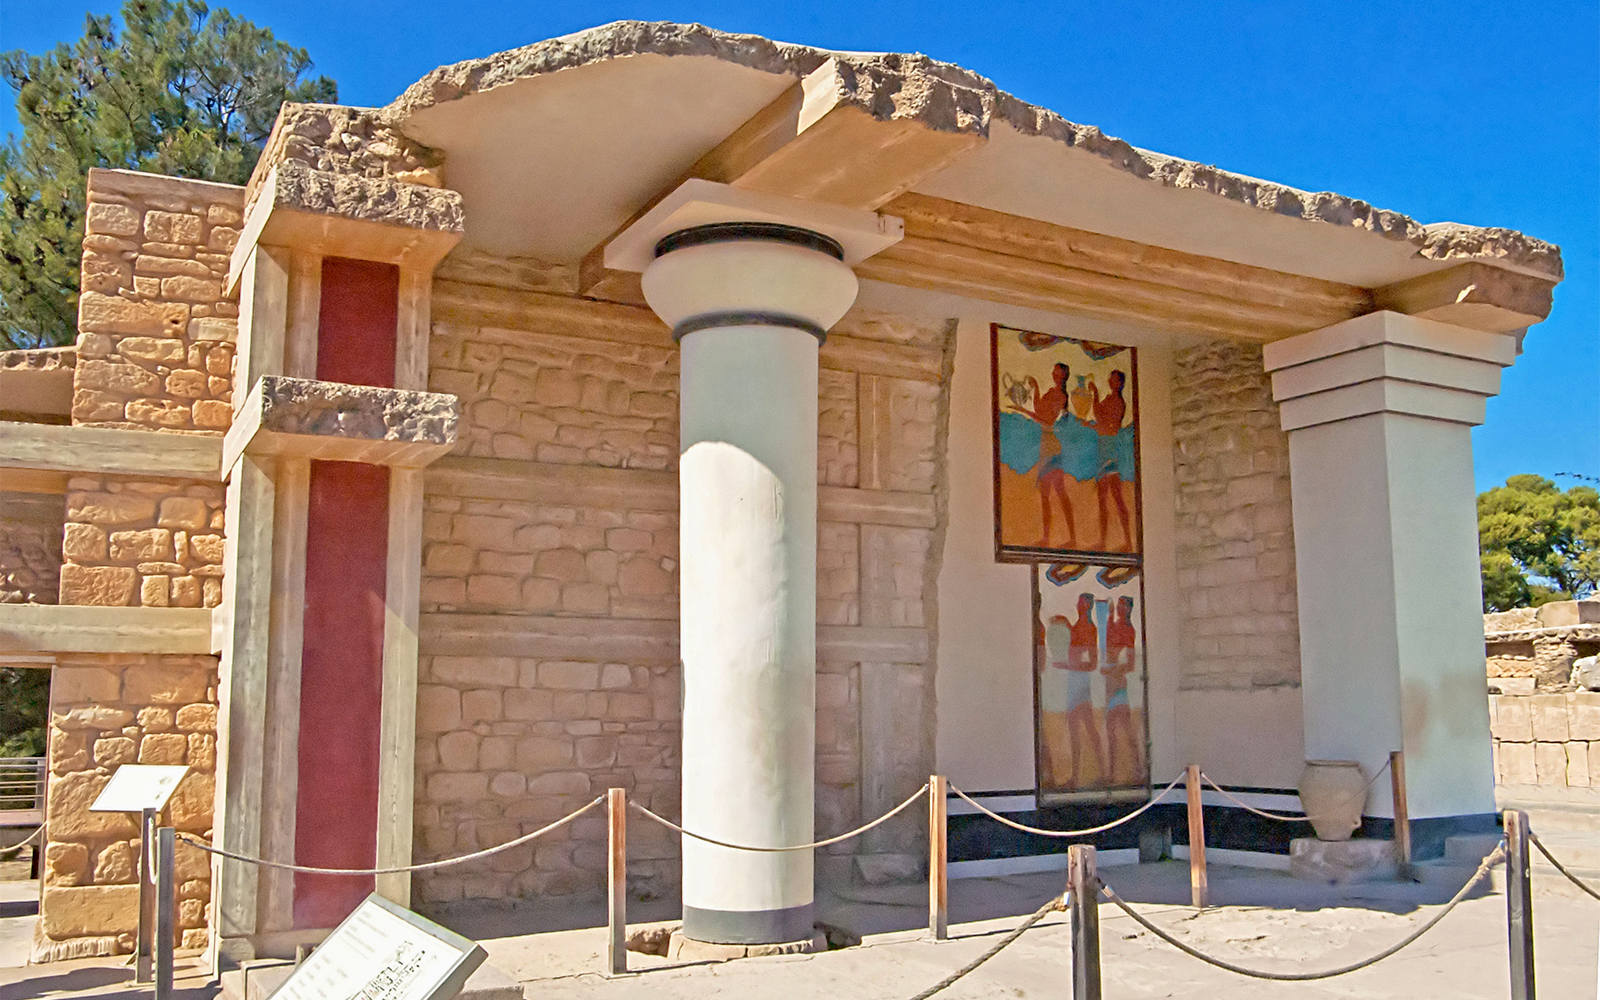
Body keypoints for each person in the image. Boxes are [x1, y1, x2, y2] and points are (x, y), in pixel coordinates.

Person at [1010, 363, 1078, 549]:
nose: (1054, 374)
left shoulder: (1061, 395)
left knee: (1060, 492)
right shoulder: (1052, 392)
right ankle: (1047, 538)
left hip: (1051, 446)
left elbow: (1046, 419)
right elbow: (1040, 409)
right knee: (1046, 495)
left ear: (1063, 376)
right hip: (1045, 445)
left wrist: (1024, 411)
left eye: (1058, 372)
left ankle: (1072, 537)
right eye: (1054, 371)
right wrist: (1037, 388)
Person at [1063, 592, 1107, 787]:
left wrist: (1069, 666)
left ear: (1087, 606)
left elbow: (1091, 663)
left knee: (1088, 728)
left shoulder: (1089, 628)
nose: (1077, 605)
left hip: (1081, 682)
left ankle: (1102, 772)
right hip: (1073, 681)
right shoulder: (1077, 626)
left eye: (1080, 602)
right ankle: (1075, 776)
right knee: (1075, 729)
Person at [1090, 369, 1133, 551]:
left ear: (1120, 383)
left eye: (1115, 380)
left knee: (1116, 496)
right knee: (1102, 498)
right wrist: (1095, 394)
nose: (1111, 381)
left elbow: (1109, 425)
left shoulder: (1118, 402)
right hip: (1102, 448)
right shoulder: (1109, 399)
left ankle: (1128, 542)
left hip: (1110, 449)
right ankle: (1103, 540)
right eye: (1111, 378)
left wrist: (1093, 425)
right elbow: (1098, 415)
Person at [1102, 596, 1141, 783]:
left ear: (1128, 609)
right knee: (1112, 731)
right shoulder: (1114, 624)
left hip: (1118, 683)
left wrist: (1111, 669)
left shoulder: (1128, 630)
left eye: (1121, 606)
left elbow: (1130, 664)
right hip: (1110, 684)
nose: (1118, 608)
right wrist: (1108, 615)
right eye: (1117, 605)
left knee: (1124, 729)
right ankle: (1113, 773)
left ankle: (1137, 769)